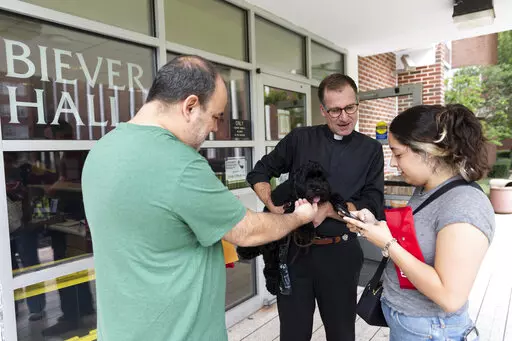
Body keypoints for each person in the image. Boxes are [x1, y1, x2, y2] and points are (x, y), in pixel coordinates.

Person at [81, 55, 318, 341]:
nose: (216, 128)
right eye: (216, 116)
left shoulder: (103, 149)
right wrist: (298, 217)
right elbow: (247, 230)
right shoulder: (178, 163)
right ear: (190, 106)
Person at [247, 74, 385, 341]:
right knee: (293, 335)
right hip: (295, 255)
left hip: (341, 254)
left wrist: (330, 210)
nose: (344, 117)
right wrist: (272, 206)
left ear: (357, 104)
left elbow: (373, 203)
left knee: (341, 334)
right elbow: (260, 172)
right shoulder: (300, 139)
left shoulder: (370, 150)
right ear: (323, 110)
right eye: (334, 110)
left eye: (350, 108)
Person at [343, 104, 495, 340]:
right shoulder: (427, 188)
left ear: (429, 151)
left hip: (431, 330)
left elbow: (450, 296)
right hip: (410, 323)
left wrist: (388, 244)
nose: (393, 163)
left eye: (398, 153)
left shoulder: (465, 204)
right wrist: (374, 226)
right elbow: (418, 240)